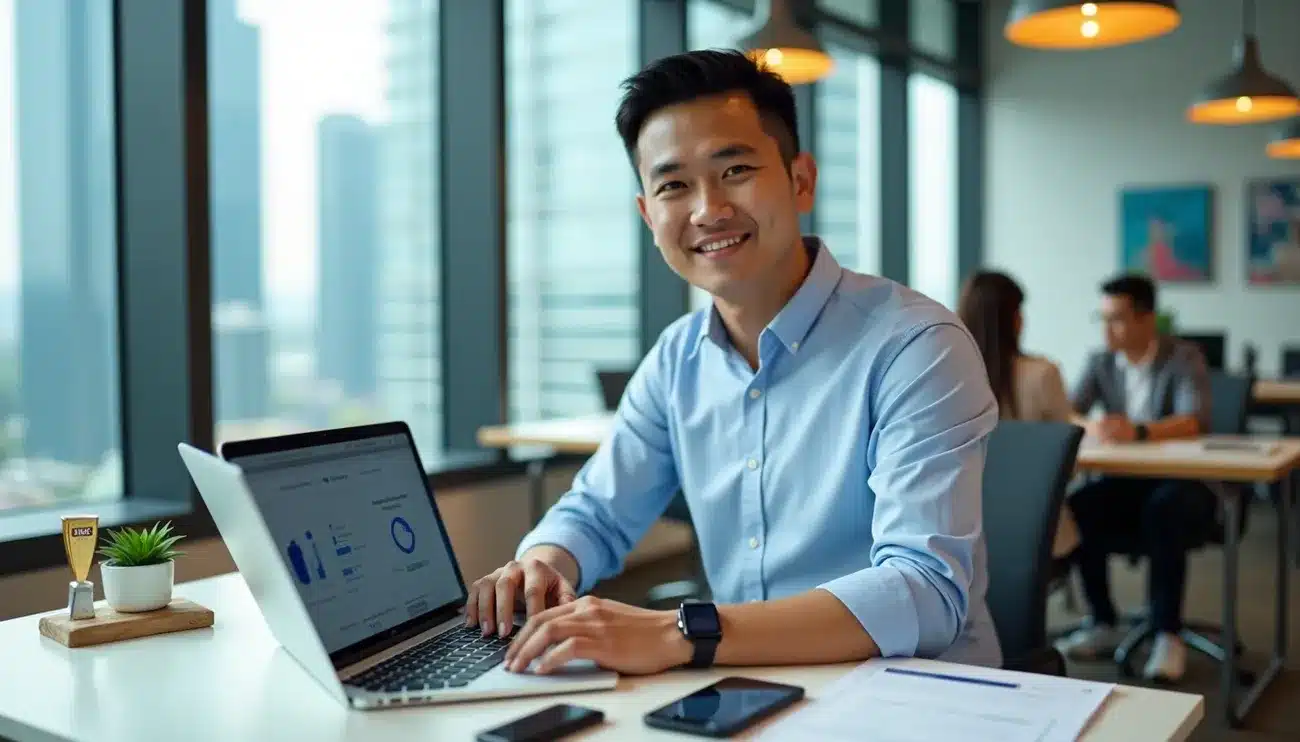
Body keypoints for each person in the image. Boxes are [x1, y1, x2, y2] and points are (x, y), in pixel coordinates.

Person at [463, 49, 1002, 677]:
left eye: (736, 169)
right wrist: (544, 564)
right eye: (673, 186)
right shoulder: (676, 359)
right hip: (746, 687)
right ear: (648, 214)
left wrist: (677, 633)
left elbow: (924, 593)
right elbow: (600, 510)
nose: (707, 210)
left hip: (917, 697)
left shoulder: (915, 344)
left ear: (801, 180)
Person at [1055, 274, 1216, 683]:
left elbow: (1193, 419)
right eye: (1103, 318)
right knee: (1078, 509)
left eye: (1118, 319)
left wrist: (1140, 431)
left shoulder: (1183, 357)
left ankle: (1167, 634)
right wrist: (1097, 426)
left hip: (1182, 482)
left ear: (1147, 320)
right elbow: (1068, 410)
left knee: (1165, 510)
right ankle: (1103, 621)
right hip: (1127, 480)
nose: (1107, 329)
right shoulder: (1101, 362)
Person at [956, 270, 1079, 558]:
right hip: (1032, 529)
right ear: (1013, 319)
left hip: (960, 531)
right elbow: (1066, 466)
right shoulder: (1042, 373)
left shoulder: (945, 374)